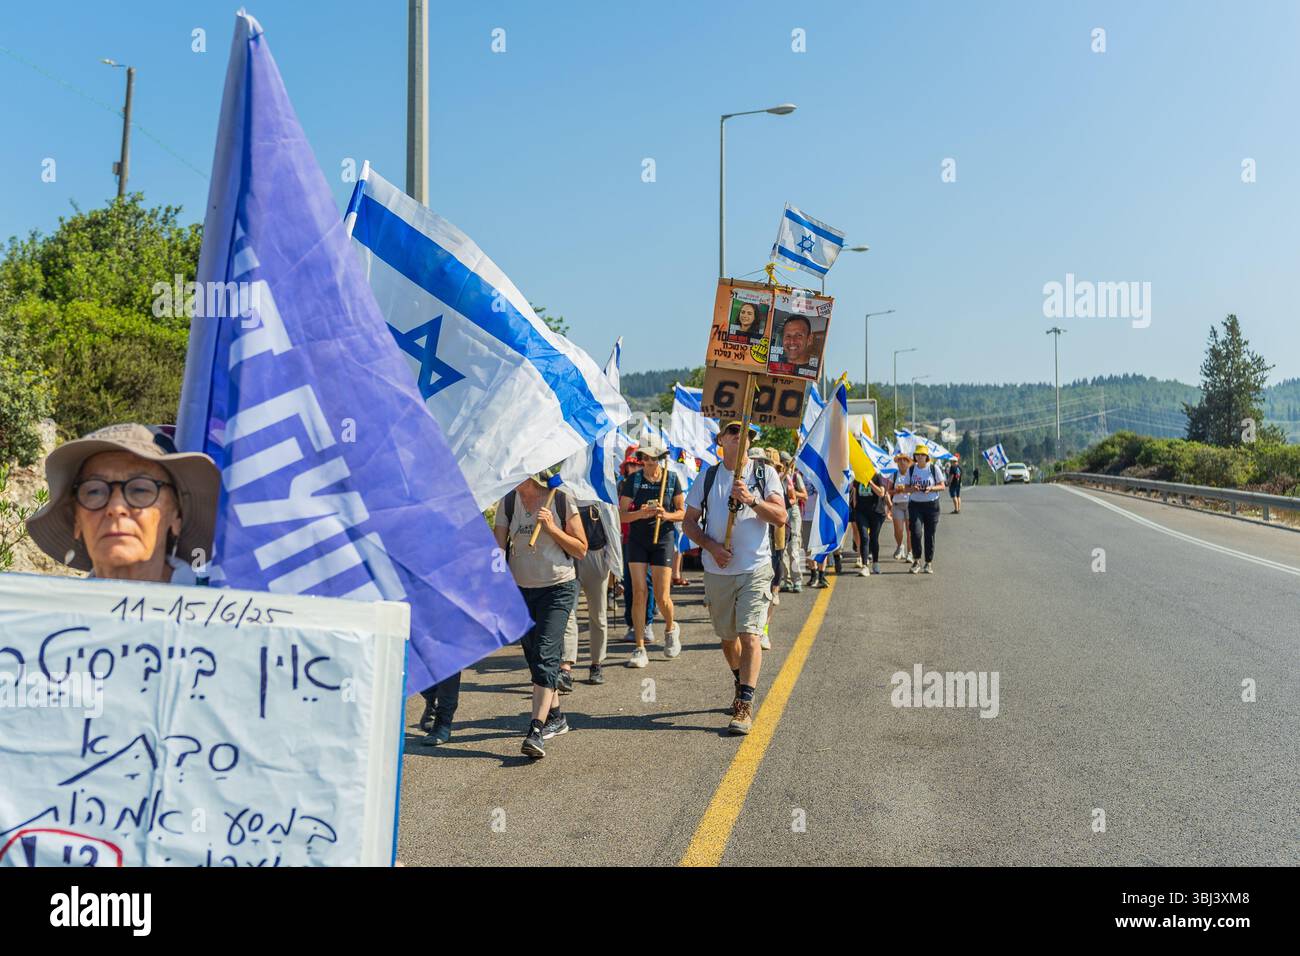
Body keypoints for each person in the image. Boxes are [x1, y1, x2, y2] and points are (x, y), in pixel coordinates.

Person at [682, 420, 787, 735]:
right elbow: (688, 522)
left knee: (750, 635)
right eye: (734, 432)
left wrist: (752, 500)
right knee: (727, 639)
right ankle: (740, 677)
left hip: (755, 569)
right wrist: (711, 546)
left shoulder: (764, 474)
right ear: (721, 440)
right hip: (718, 571)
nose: (741, 438)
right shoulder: (708, 475)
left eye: (748, 434)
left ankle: (744, 704)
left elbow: (780, 516)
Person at [26, 423, 219, 585]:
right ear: (77, 520)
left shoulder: (223, 620)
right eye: (94, 491)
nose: (116, 508)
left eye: (141, 490)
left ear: (176, 515)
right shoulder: (49, 623)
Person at [493, 467, 588, 759]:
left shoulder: (560, 500)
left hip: (557, 587)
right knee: (534, 657)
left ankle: (536, 729)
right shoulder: (507, 502)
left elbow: (581, 549)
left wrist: (552, 529)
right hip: (521, 590)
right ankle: (557, 716)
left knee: (547, 655)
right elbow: (497, 550)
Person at [618, 436, 685, 666]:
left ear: (659, 459)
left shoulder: (672, 479)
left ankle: (670, 628)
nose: (647, 461)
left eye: (652, 458)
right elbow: (622, 515)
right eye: (644, 457)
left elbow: (682, 512)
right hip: (637, 540)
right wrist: (642, 514)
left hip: (663, 539)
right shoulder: (633, 481)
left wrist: (664, 515)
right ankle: (639, 647)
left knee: (661, 595)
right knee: (638, 592)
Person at [560, 500, 620, 687]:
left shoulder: (599, 488)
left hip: (596, 556)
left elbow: (613, 528)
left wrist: (617, 570)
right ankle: (565, 668)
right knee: (568, 613)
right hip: (569, 557)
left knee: (598, 615)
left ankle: (596, 664)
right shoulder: (564, 488)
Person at [618, 451, 656, 642]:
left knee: (646, 583)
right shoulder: (622, 485)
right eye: (630, 465)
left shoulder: (649, 485)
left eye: (636, 464)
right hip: (626, 538)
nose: (634, 468)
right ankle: (632, 623)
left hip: (648, 538)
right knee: (629, 583)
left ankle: (647, 623)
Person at [898, 444, 945, 574]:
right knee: (916, 533)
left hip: (932, 505)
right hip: (915, 505)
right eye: (917, 455)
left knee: (930, 535)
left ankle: (928, 563)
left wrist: (931, 488)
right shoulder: (911, 470)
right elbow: (906, 488)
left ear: (926, 457)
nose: (919, 457)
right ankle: (916, 560)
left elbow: (942, 486)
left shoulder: (934, 469)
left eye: (922, 455)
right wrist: (913, 489)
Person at [849, 471, 890, 576]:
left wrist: (870, 483)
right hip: (861, 512)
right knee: (864, 536)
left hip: (876, 512)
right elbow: (854, 492)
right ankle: (865, 565)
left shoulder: (878, 476)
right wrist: (855, 507)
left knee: (873, 537)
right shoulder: (858, 477)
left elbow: (881, 493)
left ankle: (875, 563)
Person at [778, 450, 806, 592]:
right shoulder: (774, 476)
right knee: (781, 548)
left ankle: (797, 580)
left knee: (793, 548)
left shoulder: (794, 477)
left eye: (783, 463)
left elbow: (804, 496)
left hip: (792, 512)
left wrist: (793, 493)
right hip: (780, 512)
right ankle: (786, 579)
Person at [889, 451, 913, 562]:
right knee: (898, 530)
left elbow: (916, 489)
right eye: (900, 460)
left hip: (910, 504)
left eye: (905, 460)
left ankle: (910, 553)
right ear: (897, 463)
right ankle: (900, 546)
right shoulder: (893, 475)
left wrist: (906, 489)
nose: (902, 462)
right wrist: (896, 491)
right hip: (897, 505)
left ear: (908, 462)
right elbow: (888, 491)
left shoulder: (912, 474)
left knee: (910, 530)